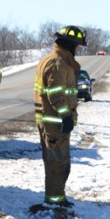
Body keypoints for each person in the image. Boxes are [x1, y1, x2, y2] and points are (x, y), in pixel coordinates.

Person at [33, 25, 86, 208]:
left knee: (59, 161)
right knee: (57, 162)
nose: (77, 50)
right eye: (77, 46)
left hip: (54, 121)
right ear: (70, 45)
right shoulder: (58, 63)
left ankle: (57, 198)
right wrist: (65, 116)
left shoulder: (57, 60)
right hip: (55, 122)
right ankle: (54, 201)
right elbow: (55, 94)